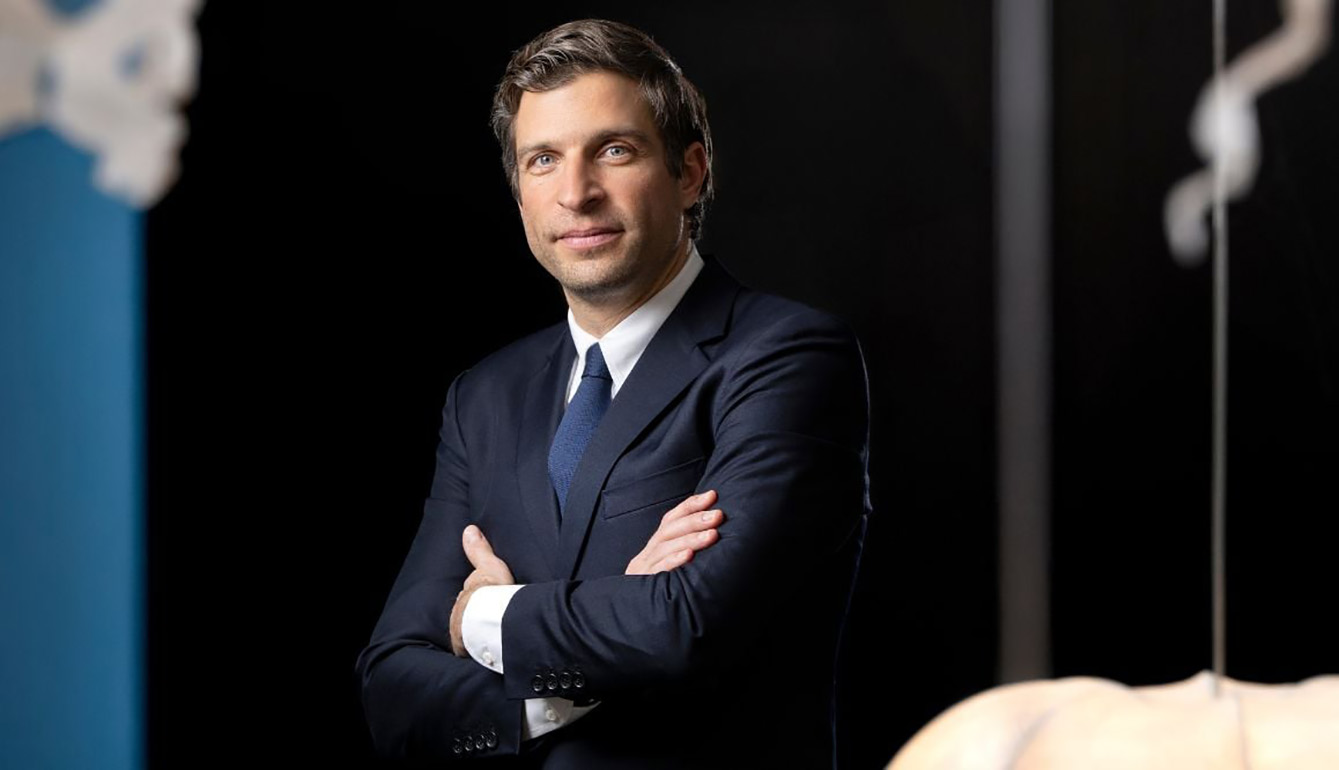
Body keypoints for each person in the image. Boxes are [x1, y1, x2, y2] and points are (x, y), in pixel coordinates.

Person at [355, 18, 871, 768]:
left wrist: (484, 618)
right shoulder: (485, 397)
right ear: (519, 193)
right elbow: (391, 689)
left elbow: (686, 629)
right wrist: (557, 691)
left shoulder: (787, 358)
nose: (576, 193)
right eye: (543, 160)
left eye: (614, 151)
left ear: (689, 172)